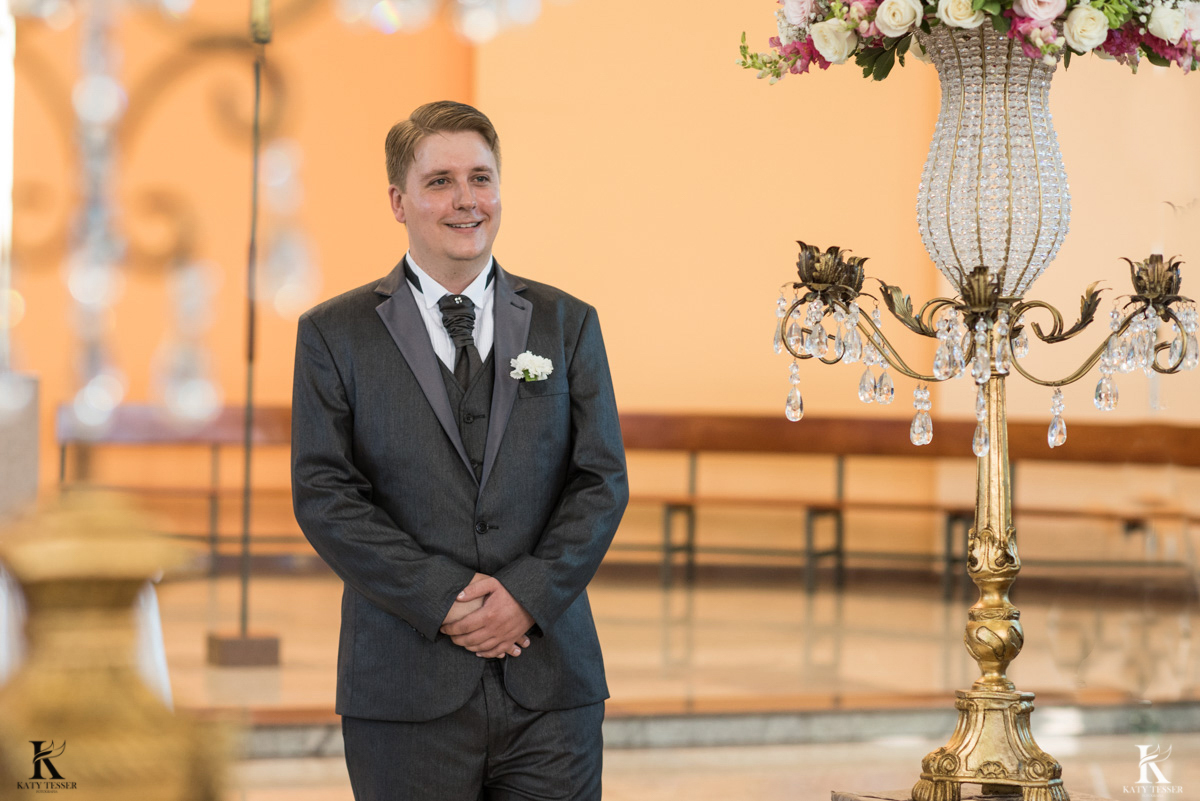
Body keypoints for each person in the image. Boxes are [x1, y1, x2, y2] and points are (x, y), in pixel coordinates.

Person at [291, 100, 628, 801]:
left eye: (481, 177)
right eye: (440, 180)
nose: (465, 200)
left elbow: (600, 480)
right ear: (399, 199)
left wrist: (526, 597)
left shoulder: (567, 323)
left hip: (552, 688)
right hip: (403, 690)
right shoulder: (334, 333)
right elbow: (325, 494)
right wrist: (447, 599)